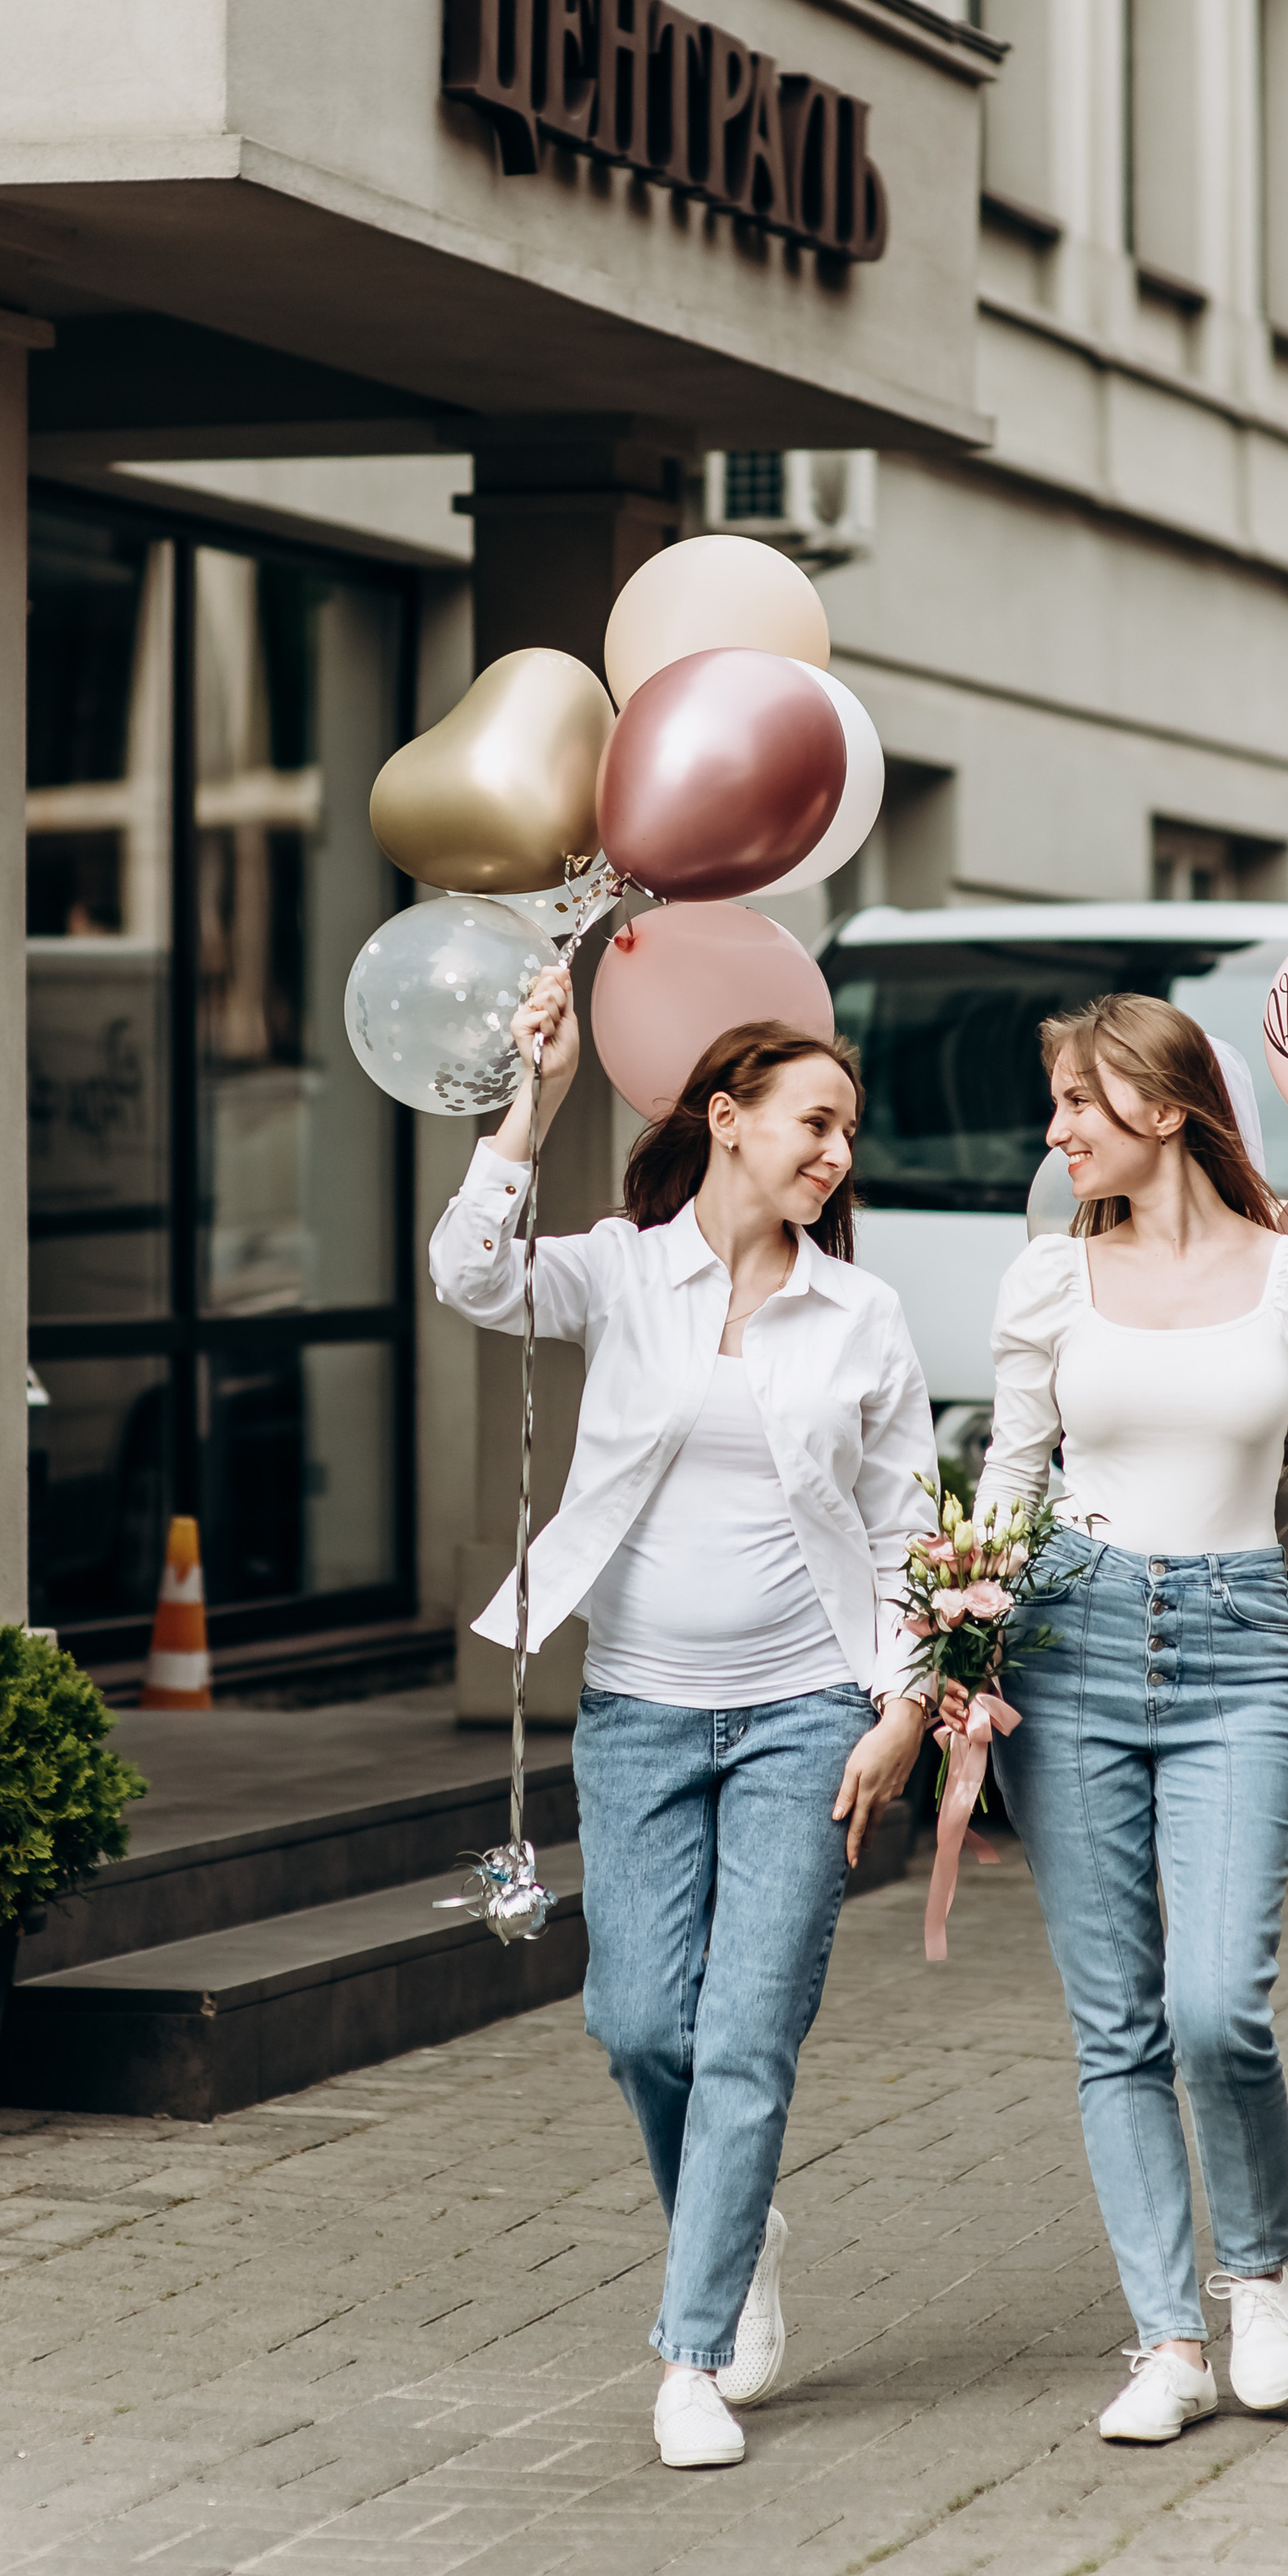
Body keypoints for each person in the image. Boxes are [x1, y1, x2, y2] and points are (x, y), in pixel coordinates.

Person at [956, 994, 1288, 2446]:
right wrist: (957, 1643)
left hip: (1242, 1647)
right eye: (1056, 1102)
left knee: (1216, 2005)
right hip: (1069, 1643)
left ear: (1168, 1108)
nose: (1055, 1130)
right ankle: (1169, 2335)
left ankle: (1258, 2278)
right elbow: (1008, 1485)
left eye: (1077, 1101)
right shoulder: (1045, 1284)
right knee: (1115, 2021)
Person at [431, 985, 932, 2472]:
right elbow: (468, 1272)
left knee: (747, 2036)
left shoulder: (864, 1314)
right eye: (814, 1122)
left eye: (849, 1131)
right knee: (638, 2021)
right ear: (728, 1120)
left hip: (804, 1713)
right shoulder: (617, 1277)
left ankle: (692, 2351)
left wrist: (902, 1704)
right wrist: (532, 1101)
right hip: (641, 1713)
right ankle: (740, 2213)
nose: (837, 1153)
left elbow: (907, 1532)